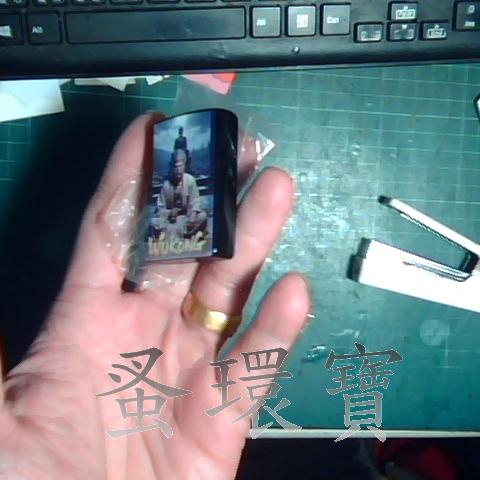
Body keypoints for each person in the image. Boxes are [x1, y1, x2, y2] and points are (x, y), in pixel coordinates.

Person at [0, 113, 310, 479]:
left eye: (182, 158)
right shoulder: (173, 187)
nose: (178, 164)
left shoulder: (190, 184)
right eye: (175, 159)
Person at [156, 149, 207, 239]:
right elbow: (160, 207)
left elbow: (195, 202)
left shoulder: (190, 180)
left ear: (184, 166)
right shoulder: (166, 184)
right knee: (153, 222)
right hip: (170, 221)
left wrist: (192, 214)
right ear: (172, 167)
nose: (178, 170)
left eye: (180, 166)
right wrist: (170, 213)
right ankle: (178, 233)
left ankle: (180, 233)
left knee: (202, 216)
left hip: (186, 219)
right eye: (176, 167)